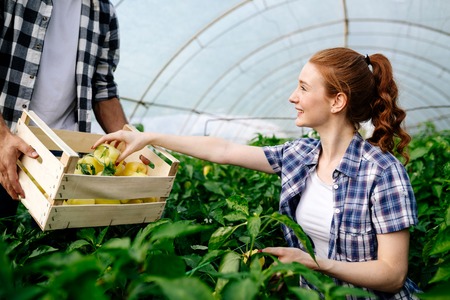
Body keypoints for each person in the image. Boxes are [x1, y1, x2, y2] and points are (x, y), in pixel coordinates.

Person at [93, 47, 420, 299]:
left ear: (337, 101)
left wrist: (312, 263)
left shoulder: (382, 173)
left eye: (304, 88)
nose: (293, 97)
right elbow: (222, 151)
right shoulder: (301, 155)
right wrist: (149, 137)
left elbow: (392, 274)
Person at [0, 0, 128, 219]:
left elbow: (102, 88)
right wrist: (2, 137)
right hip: (7, 145)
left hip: (62, 160)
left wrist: (129, 145)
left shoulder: (103, 11)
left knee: (51, 248)